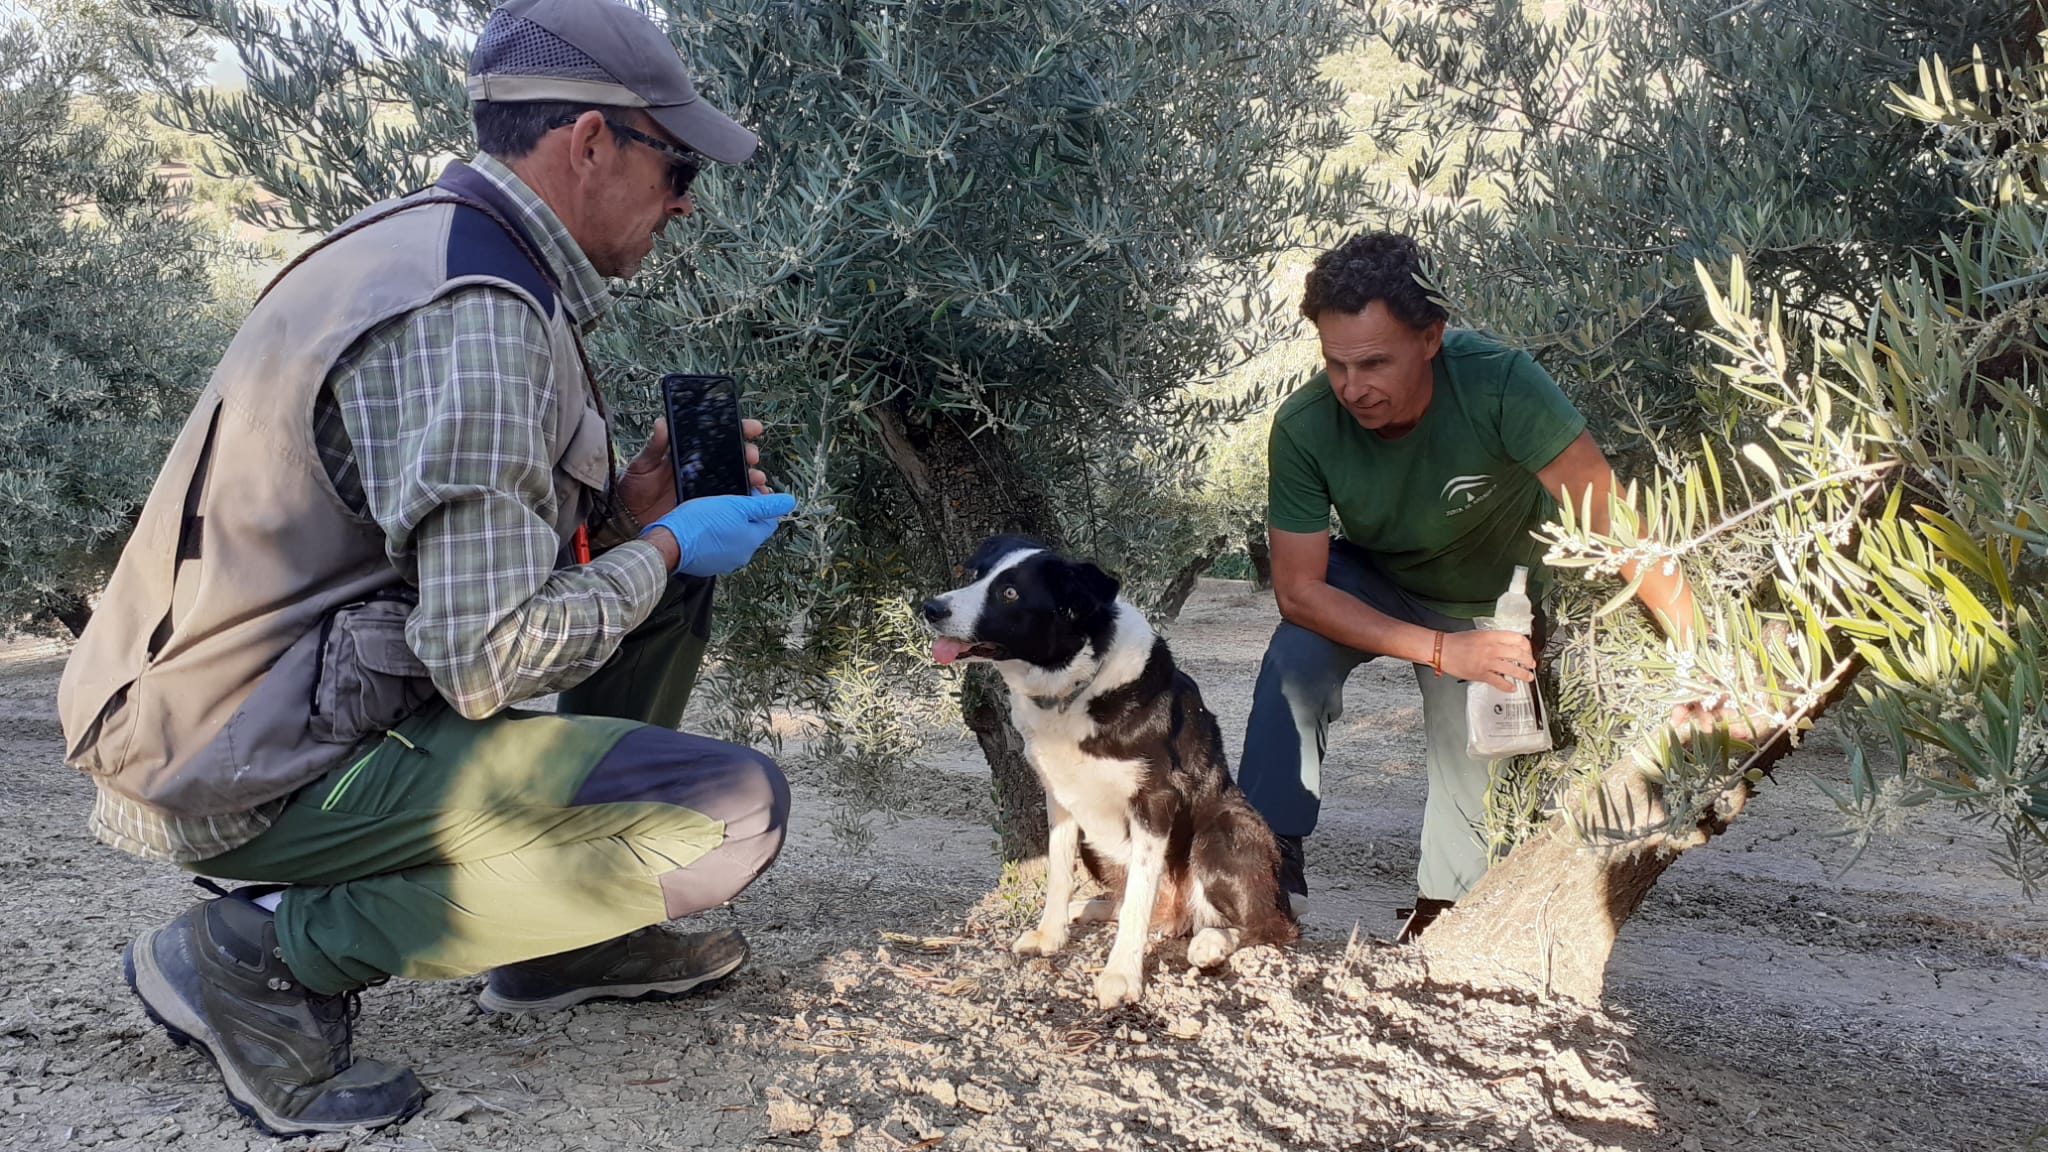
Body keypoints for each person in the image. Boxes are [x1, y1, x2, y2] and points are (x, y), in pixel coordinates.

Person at [56, 0, 795, 1135]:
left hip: (243, 709)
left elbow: (443, 564)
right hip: (240, 759)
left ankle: (569, 943)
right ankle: (259, 954)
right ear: (590, 142)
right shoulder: (477, 315)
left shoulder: (435, 246)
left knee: (666, 579)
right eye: (676, 160)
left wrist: (635, 521)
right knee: (731, 816)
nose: (687, 199)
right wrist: (661, 545)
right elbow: (484, 655)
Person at [1236, 230, 1702, 942]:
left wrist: (1703, 658)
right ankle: (1262, 874)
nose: (1353, 388)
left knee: (1474, 748)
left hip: (1498, 599)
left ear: (1431, 336)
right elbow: (1300, 590)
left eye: (1373, 363)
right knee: (1296, 657)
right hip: (1378, 578)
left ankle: (1440, 921)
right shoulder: (1304, 426)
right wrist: (1438, 648)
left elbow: (1619, 530)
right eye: (1336, 365)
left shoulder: (1501, 383)